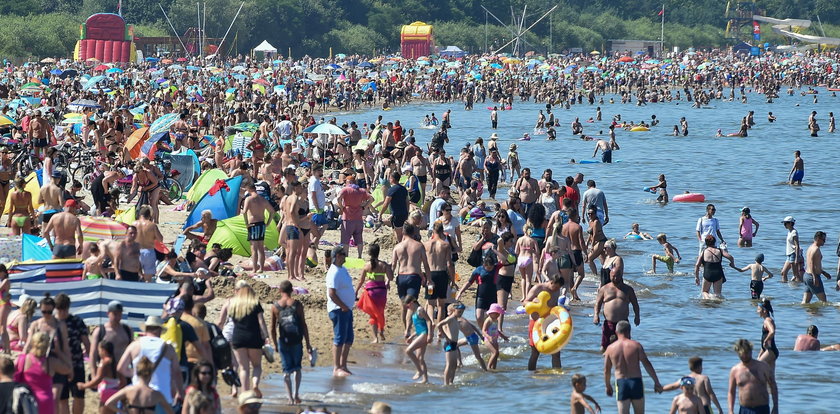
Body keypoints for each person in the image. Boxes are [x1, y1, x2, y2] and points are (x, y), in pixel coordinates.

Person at [117, 316, 182, 409]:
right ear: (159, 330)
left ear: (146, 329)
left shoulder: (135, 345)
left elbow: (121, 368)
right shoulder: (168, 348)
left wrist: (137, 372)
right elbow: (177, 373)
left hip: (138, 397)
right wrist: (180, 393)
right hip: (162, 397)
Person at [603, 321, 663, 414]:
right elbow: (647, 364)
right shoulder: (636, 345)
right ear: (629, 331)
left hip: (621, 383)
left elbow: (607, 370)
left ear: (616, 332)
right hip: (636, 382)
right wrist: (656, 382)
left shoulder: (610, 348)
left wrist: (608, 386)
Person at [270, 280, 312, 405]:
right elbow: (303, 325)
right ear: (292, 290)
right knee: (297, 368)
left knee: (286, 371)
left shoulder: (275, 306)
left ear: (280, 291)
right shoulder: (297, 304)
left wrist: (275, 344)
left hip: (283, 341)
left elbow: (272, 328)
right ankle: (296, 394)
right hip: (297, 340)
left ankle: (289, 398)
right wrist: (308, 343)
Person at [227, 281, 268, 395]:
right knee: (256, 365)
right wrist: (266, 336)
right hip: (254, 337)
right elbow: (261, 321)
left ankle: (244, 393)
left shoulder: (234, 304)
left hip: (238, 337)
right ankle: (255, 384)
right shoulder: (254, 303)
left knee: (243, 368)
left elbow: (231, 321)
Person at [55, 293, 89, 414]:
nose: (62, 313)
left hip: (77, 363)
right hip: (58, 366)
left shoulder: (76, 321)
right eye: (60, 309)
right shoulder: (53, 323)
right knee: (62, 399)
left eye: (65, 309)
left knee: (79, 395)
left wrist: (91, 359)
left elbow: (86, 342)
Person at [391, 223, 430, 329]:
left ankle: (405, 330)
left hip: (401, 276)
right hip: (414, 277)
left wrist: (387, 280)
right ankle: (408, 330)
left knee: (404, 305)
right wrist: (429, 279)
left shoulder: (397, 247)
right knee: (411, 304)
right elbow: (425, 264)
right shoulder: (419, 245)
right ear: (413, 232)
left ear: (403, 232)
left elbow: (393, 265)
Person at [594, 262, 639, 352]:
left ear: (621, 275)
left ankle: (625, 363)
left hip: (623, 323)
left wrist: (637, 317)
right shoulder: (604, 289)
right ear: (610, 275)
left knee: (626, 347)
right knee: (604, 347)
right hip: (609, 323)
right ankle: (605, 363)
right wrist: (596, 315)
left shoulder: (628, 289)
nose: (615, 278)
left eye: (617, 276)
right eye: (613, 276)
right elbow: (597, 303)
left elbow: (635, 304)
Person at [107, 356, 174, 414]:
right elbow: (170, 412)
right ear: (150, 375)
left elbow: (109, 403)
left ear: (137, 373)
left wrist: (123, 412)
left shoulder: (128, 390)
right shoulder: (157, 395)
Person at [523, 276, 564, 370]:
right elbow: (524, 302)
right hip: (535, 323)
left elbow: (555, 306)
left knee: (556, 352)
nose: (557, 290)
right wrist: (534, 302)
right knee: (535, 353)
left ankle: (558, 376)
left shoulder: (556, 291)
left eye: (559, 288)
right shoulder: (538, 288)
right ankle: (531, 374)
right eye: (556, 287)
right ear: (551, 282)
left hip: (550, 323)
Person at [727, 339, 777, 414]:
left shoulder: (763, 367)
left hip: (762, 408)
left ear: (751, 351)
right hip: (744, 409)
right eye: (742, 354)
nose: (744, 356)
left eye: (746, 353)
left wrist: (775, 407)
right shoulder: (735, 371)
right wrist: (731, 410)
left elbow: (773, 386)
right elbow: (731, 392)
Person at [326, 245, 354, 377]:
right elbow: (332, 293)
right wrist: (342, 306)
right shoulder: (334, 272)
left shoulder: (342, 269)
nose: (345, 256)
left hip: (346, 308)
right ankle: (336, 367)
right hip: (338, 309)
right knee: (340, 338)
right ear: (337, 256)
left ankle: (343, 365)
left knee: (348, 338)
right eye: (343, 254)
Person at [423, 223, 453, 337]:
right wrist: (453, 279)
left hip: (430, 275)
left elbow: (424, 262)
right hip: (441, 274)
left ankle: (430, 323)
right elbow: (449, 264)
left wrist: (425, 276)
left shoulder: (426, 244)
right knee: (441, 304)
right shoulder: (445, 245)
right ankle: (440, 330)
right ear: (442, 231)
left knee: (430, 304)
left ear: (433, 231)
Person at [75, 340, 122, 413]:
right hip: (116, 390)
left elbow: (98, 379)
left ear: (103, 350)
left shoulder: (104, 363)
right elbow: (123, 380)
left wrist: (84, 386)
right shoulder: (116, 361)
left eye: (99, 350)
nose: (99, 353)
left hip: (107, 392)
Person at [14, 332, 55, 414]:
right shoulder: (50, 362)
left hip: (27, 401)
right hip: (46, 401)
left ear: (32, 343)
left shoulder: (22, 359)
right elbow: (69, 370)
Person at [336, 176, 371, 258]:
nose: (345, 183)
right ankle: (359, 256)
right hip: (358, 217)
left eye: (346, 182)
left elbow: (338, 198)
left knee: (345, 239)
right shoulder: (361, 190)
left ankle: (346, 256)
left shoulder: (345, 189)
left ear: (349, 182)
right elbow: (371, 199)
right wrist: (364, 207)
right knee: (359, 238)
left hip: (347, 217)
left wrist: (342, 207)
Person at [242, 184, 274, 273]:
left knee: (254, 248)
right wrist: (268, 222)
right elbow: (272, 211)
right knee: (261, 248)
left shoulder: (249, 199)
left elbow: (244, 212)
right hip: (261, 224)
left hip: (253, 224)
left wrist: (246, 223)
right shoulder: (263, 199)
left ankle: (255, 268)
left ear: (249, 189)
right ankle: (261, 268)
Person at [402, 295, 432, 383]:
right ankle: (425, 379)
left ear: (411, 303)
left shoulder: (420, 310)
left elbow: (429, 321)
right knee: (420, 358)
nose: (407, 308)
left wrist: (430, 334)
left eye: (407, 306)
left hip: (424, 334)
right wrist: (412, 336)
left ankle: (419, 371)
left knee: (408, 351)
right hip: (419, 334)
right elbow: (419, 326)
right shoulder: (414, 312)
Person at [133, 205, 164, 282]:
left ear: (140, 214)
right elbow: (160, 239)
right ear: (149, 215)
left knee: (135, 276)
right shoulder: (152, 225)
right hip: (148, 251)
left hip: (135, 251)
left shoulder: (134, 224)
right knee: (148, 278)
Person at [379, 171, 409, 241]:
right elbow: (407, 202)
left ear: (392, 179)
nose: (389, 179)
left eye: (390, 178)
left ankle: (401, 248)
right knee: (399, 231)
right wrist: (407, 212)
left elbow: (386, 203)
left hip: (397, 214)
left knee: (398, 234)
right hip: (403, 213)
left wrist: (380, 214)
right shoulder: (404, 189)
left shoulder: (392, 190)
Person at [803, 231, 832, 304]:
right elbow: (811, 263)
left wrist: (823, 272)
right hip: (812, 276)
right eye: (823, 240)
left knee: (805, 302)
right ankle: (821, 315)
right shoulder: (816, 249)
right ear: (818, 239)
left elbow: (815, 264)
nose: (824, 242)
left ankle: (808, 314)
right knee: (824, 301)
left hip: (806, 275)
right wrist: (814, 277)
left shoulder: (810, 247)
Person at [482, 303, 508, 370]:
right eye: (496, 313)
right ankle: (488, 368)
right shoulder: (488, 320)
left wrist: (503, 336)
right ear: (491, 313)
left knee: (497, 354)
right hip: (488, 340)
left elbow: (497, 331)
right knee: (495, 352)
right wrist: (488, 337)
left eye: (499, 314)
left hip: (495, 339)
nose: (498, 315)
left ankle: (494, 368)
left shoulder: (496, 320)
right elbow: (483, 331)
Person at [756, 299, 778, 373]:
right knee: (770, 376)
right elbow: (765, 342)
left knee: (757, 367)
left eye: (759, 309)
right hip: (768, 350)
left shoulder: (767, 321)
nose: (757, 311)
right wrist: (760, 353)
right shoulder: (767, 320)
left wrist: (765, 341)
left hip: (771, 351)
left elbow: (772, 332)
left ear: (764, 310)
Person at [780, 216, 802, 283]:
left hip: (793, 254)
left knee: (796, 275)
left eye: (785, 223)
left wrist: (797, 258)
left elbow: (797, 245)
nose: (784, 225)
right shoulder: (789, 232)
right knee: (783, 273)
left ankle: (797, 289)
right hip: (789, 254)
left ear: (790, 223)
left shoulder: (794, 232)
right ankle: (785, 289)